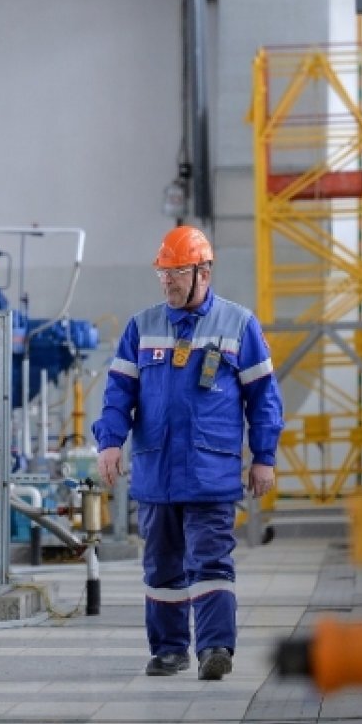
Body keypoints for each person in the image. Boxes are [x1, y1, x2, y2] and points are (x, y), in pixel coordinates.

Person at [92, 225, 283, 681]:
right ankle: (169, 650)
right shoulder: (142, 327)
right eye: (163, 273)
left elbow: (264, 399)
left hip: (209, 472)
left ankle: (215, 647)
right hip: (156, 472)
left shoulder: (239, 325)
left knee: (210, 561)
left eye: (177, 272)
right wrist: (110, 443)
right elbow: (118, 395)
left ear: (204, 272)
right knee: (161, 566)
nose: (168, 282)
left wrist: (264, 457)